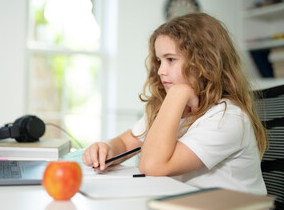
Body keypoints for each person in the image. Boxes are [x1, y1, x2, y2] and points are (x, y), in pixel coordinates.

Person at [82, 13, 268, 195]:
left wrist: (178, 93)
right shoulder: (170, 108)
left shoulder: (228, 118)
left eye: (170, 59)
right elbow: (125, 142)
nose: (161, 71)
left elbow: (152, 166)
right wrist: (107, 148)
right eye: (159, 61)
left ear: (204, 62)